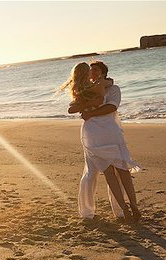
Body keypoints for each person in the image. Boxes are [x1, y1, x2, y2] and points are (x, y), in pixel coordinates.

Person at [60, 61, 142, 222]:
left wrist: (90, 112)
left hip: (110, 132)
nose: (93, 73)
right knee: (109, 172)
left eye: (96, 70)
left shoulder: (113, 88)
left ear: (103, 72)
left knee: (123, 170)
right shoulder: (86, 90)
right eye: (91, 71)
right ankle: (124, 209)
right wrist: (87, 104)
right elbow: (71, 108)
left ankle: (133, 206)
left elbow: (111, 107)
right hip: (93, 134)